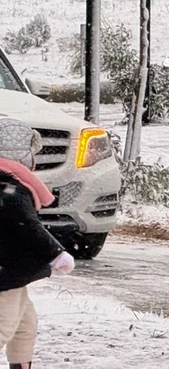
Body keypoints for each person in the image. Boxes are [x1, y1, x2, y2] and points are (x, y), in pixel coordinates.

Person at [0, 118, 76, 369]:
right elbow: (28, 227)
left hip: (11, 273)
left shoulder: (8, 185)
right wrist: (56, 254)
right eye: (31, 154)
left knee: (24, 324)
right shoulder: (9, 189)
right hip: (5, 275)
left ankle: (21, 364)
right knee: (4, 324)